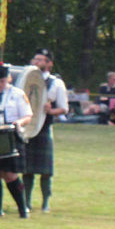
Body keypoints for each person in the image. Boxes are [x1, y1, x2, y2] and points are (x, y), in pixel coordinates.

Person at [0, 64, 32, 218]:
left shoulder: (18, 94)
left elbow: (28, 116)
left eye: (2, 81)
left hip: (10, 133)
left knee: (10, 174)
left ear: (8, 79)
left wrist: (19, 123)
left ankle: (22, 208)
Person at [21, 49, 68, 213]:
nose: (36, 62)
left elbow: (63, 109)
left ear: (49, 64)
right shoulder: (25, 79)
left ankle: (45, 202)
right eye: (35, 59)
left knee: (46, 171)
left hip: (44, 128)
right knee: (27, 170)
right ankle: (26, 201)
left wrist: (50, 110)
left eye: (41, 60)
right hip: (27, 128)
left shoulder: (56, 83)